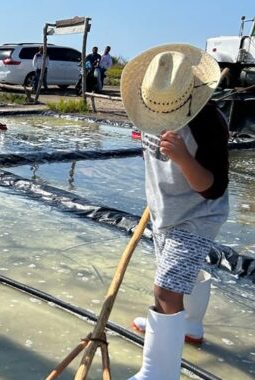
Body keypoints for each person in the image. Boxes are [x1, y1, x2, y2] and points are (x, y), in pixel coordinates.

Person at [120, 44, 228, 380]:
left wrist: (182, 157)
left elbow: (213, 187)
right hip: (164, 208)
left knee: (166, 289)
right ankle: (189, 326)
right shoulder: (147, 105)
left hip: (197, 214)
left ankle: (160, 372)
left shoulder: (208, 122)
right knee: (183, 274)